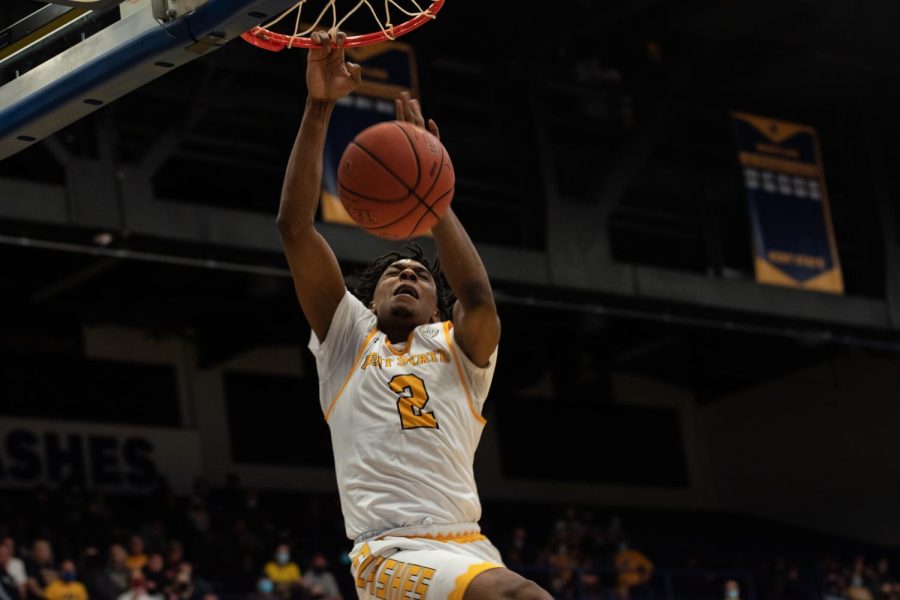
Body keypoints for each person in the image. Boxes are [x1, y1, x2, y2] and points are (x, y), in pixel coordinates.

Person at [276, 29, 551, 600]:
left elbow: (478, 298)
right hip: (391, 550)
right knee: (520, 597)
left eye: (422, 275)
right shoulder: (348, 339)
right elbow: (295, 228)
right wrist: (320, 105)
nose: (408, 274)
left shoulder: (460, 349)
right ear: (368, 300)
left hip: (470, 545)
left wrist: (438, 203)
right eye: (395, 273)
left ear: (436, 305)